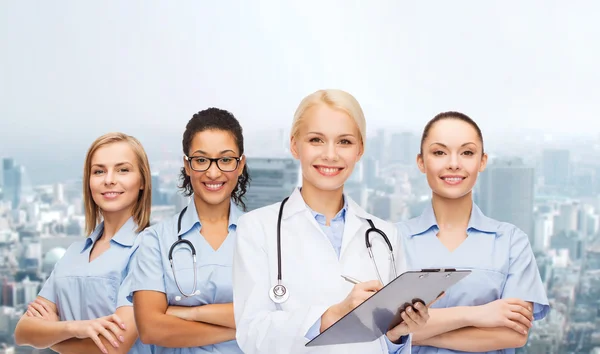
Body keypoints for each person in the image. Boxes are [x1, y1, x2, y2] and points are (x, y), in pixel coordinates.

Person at [232, 89, 432, 354]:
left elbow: (384, 344)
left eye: (344, 142)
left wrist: (396, 335)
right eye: (316, 140)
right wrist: (332, 316)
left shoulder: (385, 235)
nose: (330, 154)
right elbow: (252, 334)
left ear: (360, 150)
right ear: (295, 145)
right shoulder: (257, 230)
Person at [397, 111, 550, 353]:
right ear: (421, 162)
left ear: (482, 161)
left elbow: (513, 333)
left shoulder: (511, 242)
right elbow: (379, 329)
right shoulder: (390, 240)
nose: (454, 163)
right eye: (439, 152)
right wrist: (480, 314)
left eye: (467, 152)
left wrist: (416, 334)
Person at [14, 132, 154, 354]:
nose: (109, 179)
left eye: (123, 170)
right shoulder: (73, 253)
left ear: (143, 181)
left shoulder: (149, 250)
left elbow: (113, 345)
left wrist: (52, 337)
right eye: (99, 171)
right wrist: (76, 328)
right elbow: (23, 332)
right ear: (89, 182)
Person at [129, 108, 249, 354]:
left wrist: (191, 313)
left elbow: (279, 316)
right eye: (201, 160)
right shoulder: (155, 241)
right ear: (187, 165)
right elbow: (152, 329)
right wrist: (244, 326)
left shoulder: (264, 236)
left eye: (225, 159)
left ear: (240, 165)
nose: (213, 172)